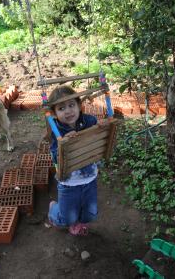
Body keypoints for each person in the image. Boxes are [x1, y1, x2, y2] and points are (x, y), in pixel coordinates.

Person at [47, 85, 104, 236]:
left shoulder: (89, 121)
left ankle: (79, 220)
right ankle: (54, 210)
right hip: (69, 183)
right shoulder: (56, 132)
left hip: (89, 179)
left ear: (79, 105)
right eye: (61, 108)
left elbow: (99, 136)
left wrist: (100, 128)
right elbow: (54, 156)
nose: (68, 111)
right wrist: (64, 143)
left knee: (90, 215)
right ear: (54, 113)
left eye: (71, 105)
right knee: (67, 219)